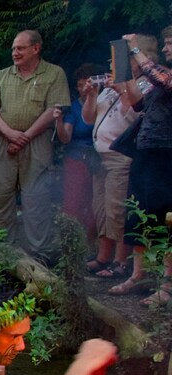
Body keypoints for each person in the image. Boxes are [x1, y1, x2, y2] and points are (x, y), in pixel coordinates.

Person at [0, 30, 70, 260]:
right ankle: (2, 252)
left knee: (36, 198)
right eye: (13, 48)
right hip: (2, 141)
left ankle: (39, 254)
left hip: (37, 142)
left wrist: (25, 137)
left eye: (20, 48)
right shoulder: (2, 75)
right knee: (0, 197)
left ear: (36, 48)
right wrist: (10, 134)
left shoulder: (54, 73)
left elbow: (54, 109)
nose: (15, 52)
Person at [83, 35, 157, 283]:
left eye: (118, 59)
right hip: (99, 155)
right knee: (101, 208)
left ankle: (121, 262)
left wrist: (121, 89)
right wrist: (91, 95)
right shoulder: (109, 85)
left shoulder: (146, 84)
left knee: (117, 209)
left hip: (121, 156)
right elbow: (88, 119)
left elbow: (136, 114)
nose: (112, 63)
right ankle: (103, 257)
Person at [107, 31, 172, 306]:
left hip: (167, 154)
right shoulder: (157, 78)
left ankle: (167, 285)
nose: (166, 48)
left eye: (170, 43)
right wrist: (123, 80)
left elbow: (162, 79)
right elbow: (137, 103)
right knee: (137, 213)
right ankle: (138, 275)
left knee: (167, 218)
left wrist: (134, 49)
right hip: (145, 152)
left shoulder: (164, 76)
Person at [55, 64, 98, 241]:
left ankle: (92, 243)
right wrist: (58, 121)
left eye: (85, 85)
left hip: (100, 159)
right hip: (77, 158)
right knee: (73, 201)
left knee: (95, 203)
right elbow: (66, 137)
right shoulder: (74, 107)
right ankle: (71, 243)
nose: (82, 90)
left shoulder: (105, 102)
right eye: (79, 86)